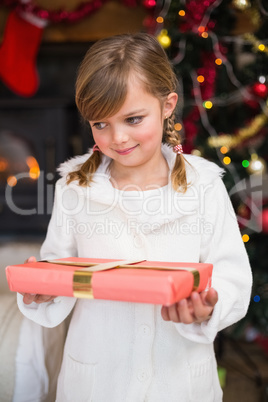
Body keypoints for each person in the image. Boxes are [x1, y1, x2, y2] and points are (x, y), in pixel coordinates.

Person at [17, 33, 252, 402]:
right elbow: (60, 268)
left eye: (133, 118)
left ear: (167, 105)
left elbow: (233, 275)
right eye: (100, 124)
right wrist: (42, 290)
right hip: (96, 381)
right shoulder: (75, 187)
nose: (118, 137)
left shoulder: (204, 185)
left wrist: (209, 305)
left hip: (179, 382)